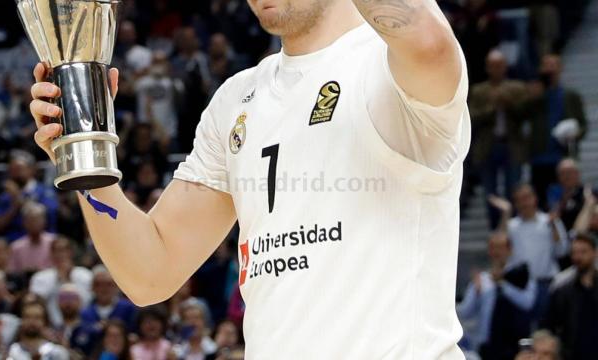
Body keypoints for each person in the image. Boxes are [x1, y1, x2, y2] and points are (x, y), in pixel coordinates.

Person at [30, 0, 471, 357]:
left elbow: (429, 42)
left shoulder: (385, 64)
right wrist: (82, 157)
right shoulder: (236, 99)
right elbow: (151, 272)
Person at [491, 184, 568, 324]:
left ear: (535, 199)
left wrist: (554, 226)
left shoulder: (549, 221)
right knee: (520, 330)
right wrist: (506, 213)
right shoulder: (511, 225)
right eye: (519, 199)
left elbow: (562, 250)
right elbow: (497, 247)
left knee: (545, 327)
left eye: (526, 198)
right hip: (519, 285)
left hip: (546, 283)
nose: (524, 203)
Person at [469, 50, 527, 228]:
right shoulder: (479, 91)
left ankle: (513, 227)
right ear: (487, 68)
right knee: (490, 192)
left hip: (512, 145)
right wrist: (492, 107)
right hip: (488, 147)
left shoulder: (517, 88)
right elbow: (471, 117)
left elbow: (525, 113)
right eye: (493, 66)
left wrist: (507, 101)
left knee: (513, 188)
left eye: (500, 65)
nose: (497, 69)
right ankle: (495, 230)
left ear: (505, 67)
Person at [457, 232, 536, 359]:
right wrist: (476, 293)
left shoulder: (522, 275)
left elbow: (528, 303)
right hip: (488, 345)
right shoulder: (482, 279)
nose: (497, 252)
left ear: (510, 250)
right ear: (489, 251)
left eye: (501, 247)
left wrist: (502, 284)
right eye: (493, 247)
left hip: (515, 342)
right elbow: (464, 313)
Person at [524, 54, 587, 204]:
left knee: (567, 200)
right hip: (539, 157)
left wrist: (575, 133)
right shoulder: (534, 93)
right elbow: (519, 115)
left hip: (563, 157)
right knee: (540, 200)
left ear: (560, 68)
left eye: (553, 65)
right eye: (546, 65)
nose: (550, 69)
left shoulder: (570, 96)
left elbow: (582, 124)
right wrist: (531, 96)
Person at [541, 233, 598, 360]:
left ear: (595, 253)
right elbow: (549, 325)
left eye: (583, 252)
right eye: (574, 252)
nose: (578, 257)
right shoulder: (561, 289)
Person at [0, 150, 58, 241]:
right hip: (13, 242)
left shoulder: (44, 191)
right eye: (12, 169)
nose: (15, 173)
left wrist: (18, 197)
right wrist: (14, 206)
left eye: (19, 169)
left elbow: (49, 216)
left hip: (42, 241)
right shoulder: (5, 196)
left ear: (32, 170)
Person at [30, 237, 92, 329]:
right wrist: (58, 281)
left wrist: (68, 279)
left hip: (82, 325)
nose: (60, 254)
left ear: (71, 252)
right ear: (51, 253)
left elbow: (88, 301)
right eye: (56, 251)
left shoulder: (85, 275)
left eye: (64, 250)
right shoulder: (40, 277)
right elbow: (37, 304)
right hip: (50, 326)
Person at [80, 265, 136, 331]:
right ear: (92, 287)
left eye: (108, 284)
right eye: (98, 284)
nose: (103, 289)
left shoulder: (128, 308)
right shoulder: (85, 312)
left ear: (116, 286)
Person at [9, 202, 56, 275]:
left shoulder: (54, 242)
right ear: (24, 222)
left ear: (44, 221)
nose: (34, 223)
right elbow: (13, 272)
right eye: (30, 220)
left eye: (37, 219)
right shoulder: (16, 247)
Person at [547, 158, 586, 231]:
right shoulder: (554, 195)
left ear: (577, 173)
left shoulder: (588, 193)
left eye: (569, 172)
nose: (567, 176)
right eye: (563, 173)